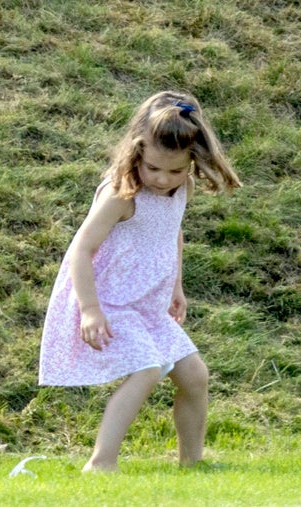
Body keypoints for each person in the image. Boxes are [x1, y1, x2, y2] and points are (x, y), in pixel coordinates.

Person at [38, 90, 242, 472]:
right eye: (153, 168)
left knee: (195, 375)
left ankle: (192, 463)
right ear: (136, 152)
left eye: (176, 170)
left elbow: (172, 234)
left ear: (192, 161)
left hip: (148, 305)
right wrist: (90, 309)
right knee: (148, 368)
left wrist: (176, 286)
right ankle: (101, 463)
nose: (163, 179)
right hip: (109, 302)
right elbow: (80, 250)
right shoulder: (121, 194)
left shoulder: (180, 187)